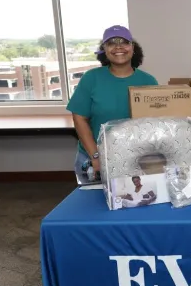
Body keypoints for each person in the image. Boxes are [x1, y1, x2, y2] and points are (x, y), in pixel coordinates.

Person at [67, 25, 158, 184]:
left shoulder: (148, 81)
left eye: (124, 42)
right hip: (95, 158)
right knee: (93, 206)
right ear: (104, 50)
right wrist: (95, 156)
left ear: (133, 48)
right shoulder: (91, 78)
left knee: (134, 203)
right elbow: (79, 117)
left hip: (135, 159)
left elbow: (155, 123)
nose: (118, 47)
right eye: (111, 43)